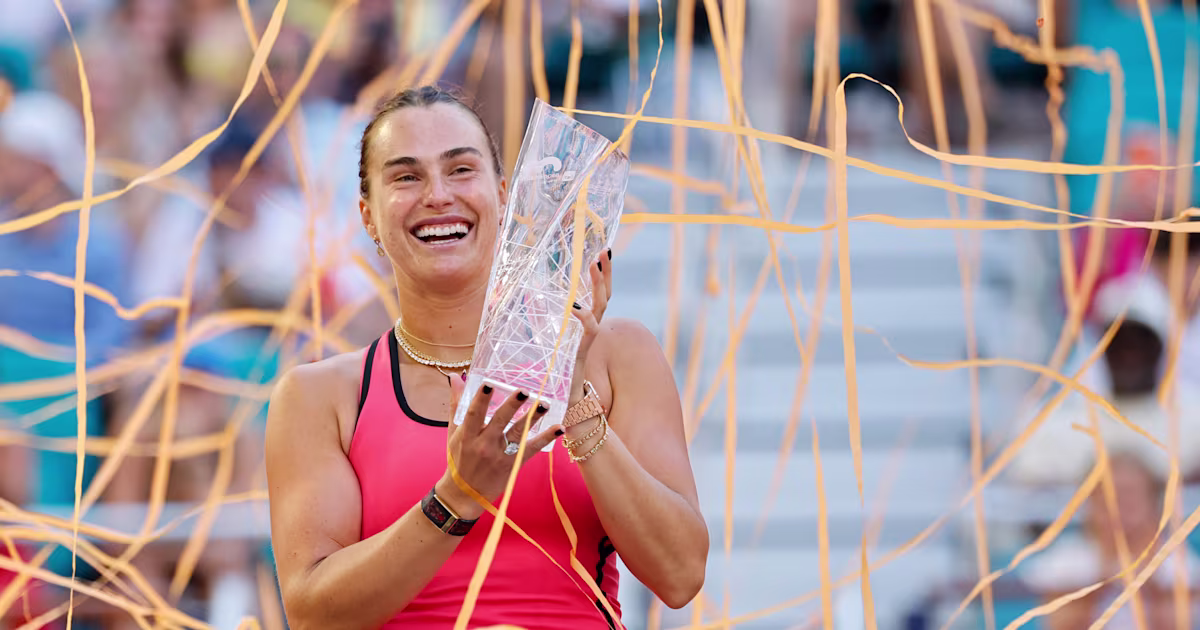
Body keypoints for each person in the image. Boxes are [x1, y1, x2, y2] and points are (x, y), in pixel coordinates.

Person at [264, 85, 708, 629]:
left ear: (503, 195)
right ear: (369, 217)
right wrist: (456, 497)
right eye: (406, 177)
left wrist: (573, 399)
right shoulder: (320, 397)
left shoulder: (616, 354)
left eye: (461, 170)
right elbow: (313, 613)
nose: (437, 195)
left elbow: (681, 574)